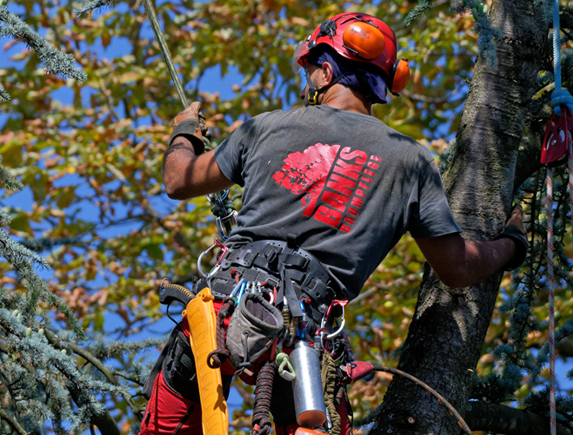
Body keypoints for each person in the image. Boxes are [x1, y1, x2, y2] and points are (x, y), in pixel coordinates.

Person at [140, 12, 527, 435]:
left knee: (167, 424)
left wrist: (184, 133)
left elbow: (179, 179)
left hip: (225, 305)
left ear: (326, 71)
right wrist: (510, 243)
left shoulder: (267, 126)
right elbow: (458, 267)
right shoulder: (410, 161)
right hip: (306, 333)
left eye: (311, 70)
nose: (309, 81)